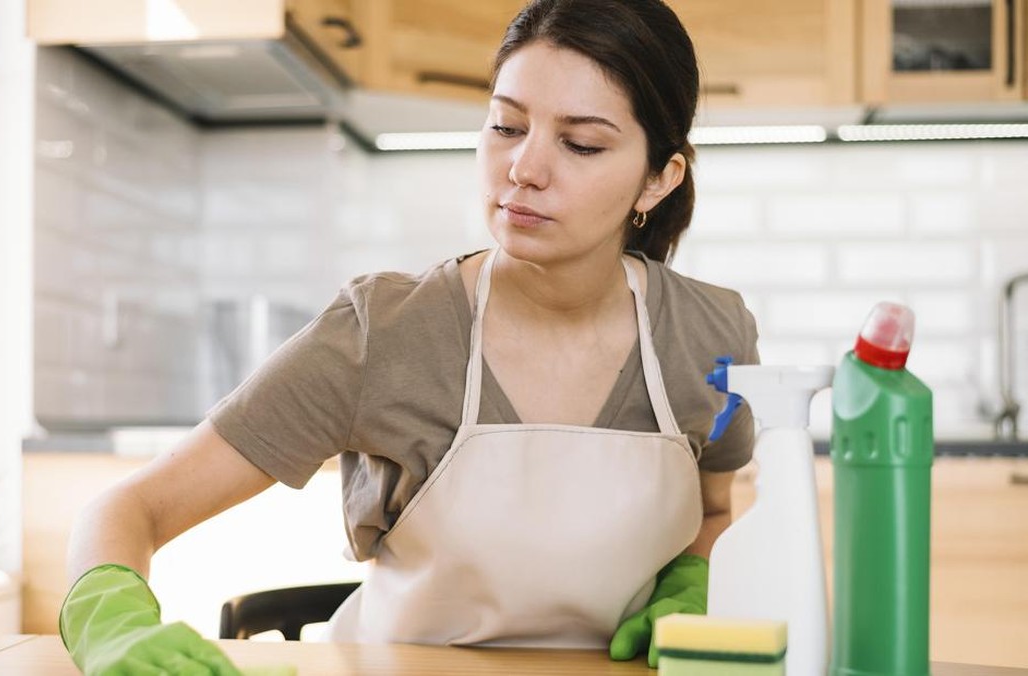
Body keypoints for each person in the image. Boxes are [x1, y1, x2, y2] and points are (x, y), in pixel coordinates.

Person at [58, 0, 760, 673]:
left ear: (658, 180)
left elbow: (713, 511)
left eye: (581, 144)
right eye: (506, 126)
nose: (524, 169)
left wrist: (691, 581)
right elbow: (128, 508)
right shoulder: (384, 332)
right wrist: (111, 622)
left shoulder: (710, 334)